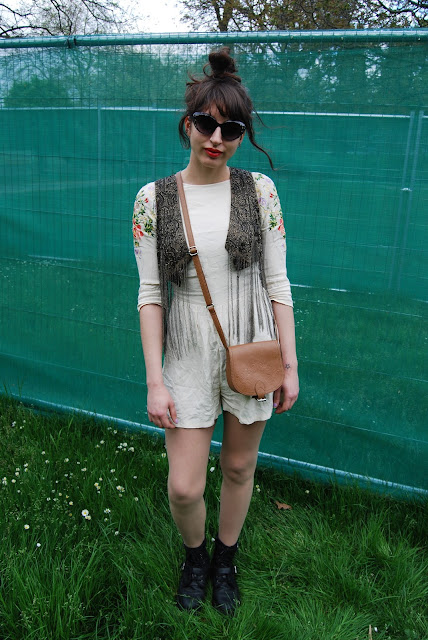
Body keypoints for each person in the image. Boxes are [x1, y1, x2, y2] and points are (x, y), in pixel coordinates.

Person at [132, 47, 299, 615]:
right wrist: (155, 380)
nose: (217, 138)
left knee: (238, 466)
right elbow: (150, 296)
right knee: (184, 486)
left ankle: (225, 560)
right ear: (188, 122)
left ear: (242, 135)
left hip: (253, 344)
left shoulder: (261, 191)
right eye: (207, 123)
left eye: (232, 129)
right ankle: (195, 556)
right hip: (186, 351)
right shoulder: (152, 199)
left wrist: (290, 366)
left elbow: (278, 283)